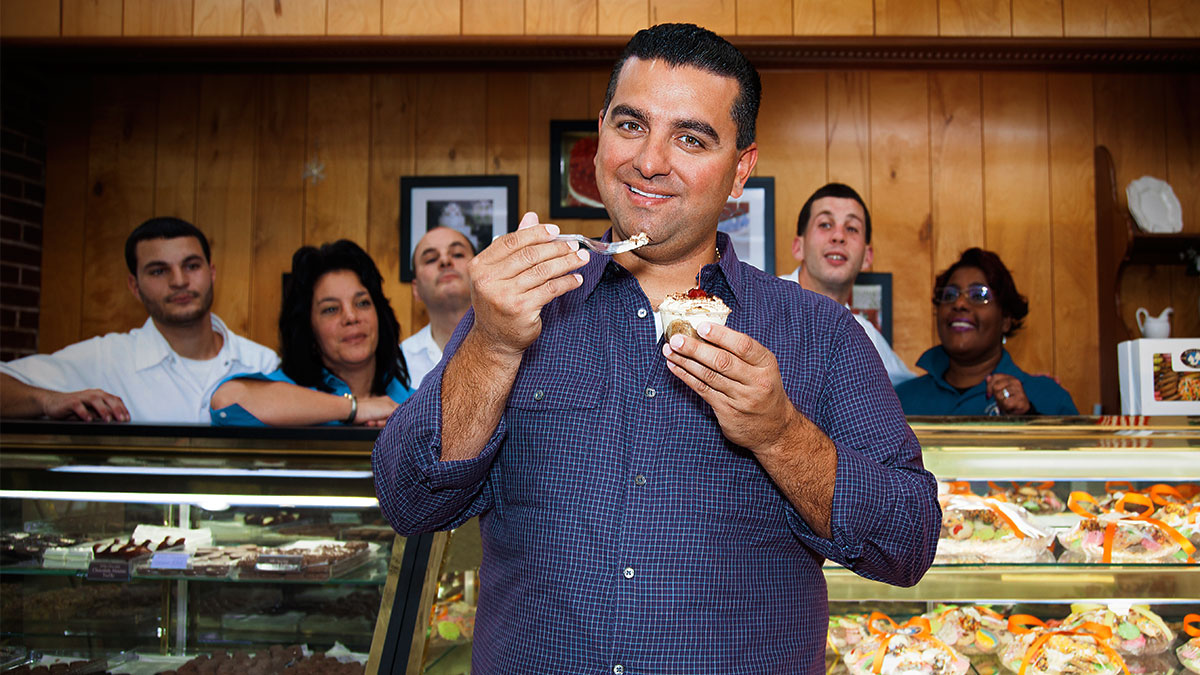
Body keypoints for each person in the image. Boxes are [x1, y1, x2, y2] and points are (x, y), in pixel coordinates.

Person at [373, 24, 939, 673]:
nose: (649, 160)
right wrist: (494, 346)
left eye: (691, 138)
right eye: (631, 125)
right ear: (600, 133)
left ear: (741, 168)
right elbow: (410, 501)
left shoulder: (822, 334)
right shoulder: (518, 306)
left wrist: (781, 434)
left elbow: (908, 544)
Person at [0, 217, 278, 423]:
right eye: (158, 271)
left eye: (191, 266)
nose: (179, 281)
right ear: (134, 286)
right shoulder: (105, 359)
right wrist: (48, 399)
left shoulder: (262, 362)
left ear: (212, 272)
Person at [209, 240, 413, 426]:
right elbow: (227, 400)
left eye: (362, 303)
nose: (351, 317)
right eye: (331, 309)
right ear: (309, 329)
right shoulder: (285, 397)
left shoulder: (415, 402)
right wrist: (354, 408)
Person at [896, 247, 1078, 416]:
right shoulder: (898, 401)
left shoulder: (1047, 397)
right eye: (950, 295)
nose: (959, 303)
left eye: (979, 295)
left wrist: (1028, 417)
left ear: (1006, 320)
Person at [781, 182, 916, 386]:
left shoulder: (867, 336)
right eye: (825, 224)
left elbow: (913, 392)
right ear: (798, 247)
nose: (838, 236)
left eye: (852, 228)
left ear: (867, 257)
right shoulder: (759, 304)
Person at [401, 226, 474, 388]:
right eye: (431, 259)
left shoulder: (511, 345)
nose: (445, 261)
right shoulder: (400, 362)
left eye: (457, 254)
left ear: (479, 272)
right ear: (416, 289)